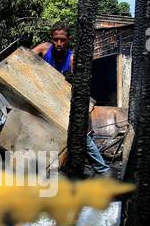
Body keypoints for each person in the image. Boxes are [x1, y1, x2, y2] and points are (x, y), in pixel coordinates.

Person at [31, 25, 110, 176]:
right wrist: (24, 48)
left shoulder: (72, 58)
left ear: (68, 41)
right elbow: (24, 59)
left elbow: (82, 85)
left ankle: (104, 170)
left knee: (80, 135)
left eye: (63, 40)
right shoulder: (44, 49)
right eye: (56, 40)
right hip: (43, 99)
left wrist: (73, 80)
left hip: (63, 104)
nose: (59, 43)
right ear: (51, 39)